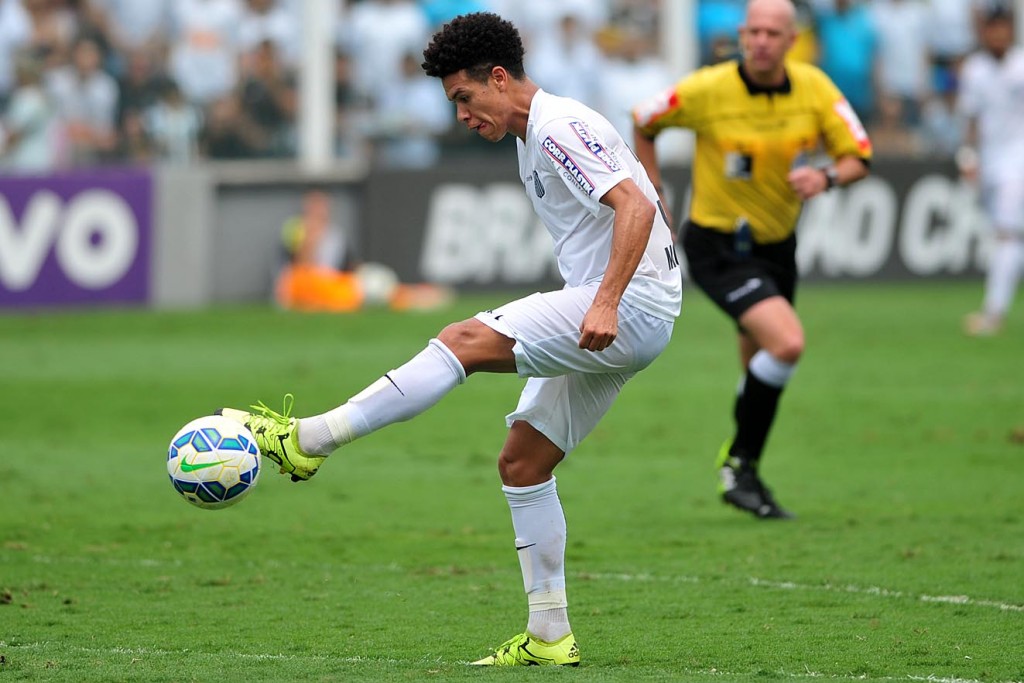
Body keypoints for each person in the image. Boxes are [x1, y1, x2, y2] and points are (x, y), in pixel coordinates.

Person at [219, 11, 681, 666]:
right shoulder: (538, 134)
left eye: (464, 97)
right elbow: (645, 201)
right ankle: (550, 635)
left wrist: (606, 299)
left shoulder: (555, 128)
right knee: (522, 464)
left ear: (498, 77)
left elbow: (634, 205)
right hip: (636, 309)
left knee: (460, 339)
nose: (461, 115)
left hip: (623, 307)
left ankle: (307, 440)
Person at [632, 0, 871, 519]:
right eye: (753, 31)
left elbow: (859, 155)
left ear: (792, 39)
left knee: (758, 372)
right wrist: (652, 187)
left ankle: (747, 476)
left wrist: (825, 177)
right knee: (787, 343)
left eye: (772, 33)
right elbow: (644, 119)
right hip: (718, 246)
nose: (761, 41)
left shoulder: (816, 90)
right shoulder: (707, 88)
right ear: (742, 35)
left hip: (778, 247)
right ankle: (739, 464)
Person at [957, 2, 1024, 337]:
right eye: (992, 27)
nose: (998, 34)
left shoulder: (1022, 65)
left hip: (1019, 163)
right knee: (1007, 237)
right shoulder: (974, 69)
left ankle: (993, 314)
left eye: (1003, 27)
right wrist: (968, 158)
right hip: (991, 163)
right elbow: (971, 119)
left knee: (1006, 234)